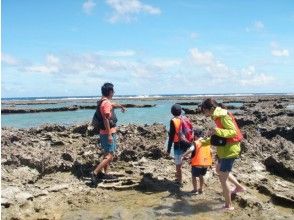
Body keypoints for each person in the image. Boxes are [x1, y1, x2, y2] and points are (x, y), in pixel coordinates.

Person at [201, 98, 246, 211]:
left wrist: (216, 131)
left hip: (230, 150)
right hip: (224, 149)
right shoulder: (217, 116)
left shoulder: (223, 115)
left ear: (210, 109)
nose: (203, 113)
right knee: (218, 169)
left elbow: (233, 132)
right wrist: (203, 141)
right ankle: (239, 187)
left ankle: (228, 205)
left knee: (223, 178)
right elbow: (219, 137)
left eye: (204, 110)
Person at [91, 82, 126, 185]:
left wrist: (120, 106)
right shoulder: (106, 103)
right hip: (108, 133)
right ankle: (95, 172)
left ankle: (106, 173)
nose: (114, 92)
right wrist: (110, 134)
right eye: (113, 91)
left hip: (103, 132)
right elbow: (106, 118)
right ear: (110, 92)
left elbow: (112, 105)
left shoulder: (103, 101)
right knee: (110, 155)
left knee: (106, 153)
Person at [181, 129, 212, 194]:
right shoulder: (206, 142)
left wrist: (183, 155)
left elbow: (191, 149)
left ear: (195, 135)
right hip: (205, 164)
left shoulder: (196, 142)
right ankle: (201, 189)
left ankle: (195, 189)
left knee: (194, 176)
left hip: (197, 164)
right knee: (201, 176)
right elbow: (210, 151)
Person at [167, 104, 186, 185]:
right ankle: (178, 177)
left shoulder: (173, 121)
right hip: (185, 144)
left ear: (172, 112)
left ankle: (180, 181)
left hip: (177, 144)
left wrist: (168, 150)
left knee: (178, 164)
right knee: (180, 163)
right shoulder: (184, 118)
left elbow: (171, 137)